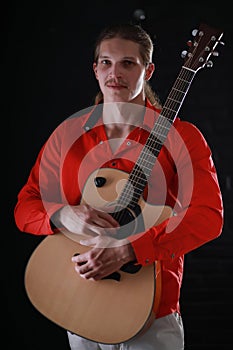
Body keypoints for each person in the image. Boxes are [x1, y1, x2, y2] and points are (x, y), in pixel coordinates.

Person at [14, 23, 223, 350]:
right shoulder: (67, 136)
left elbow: (208, 217)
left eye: (128, 63)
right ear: (95, 69)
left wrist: (129, 250)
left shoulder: (183, 137)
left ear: (148, 70)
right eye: (107, 62)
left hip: (151, 313)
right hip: (78, 301)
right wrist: (62, 215)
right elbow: (25, 207)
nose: (116, 73)